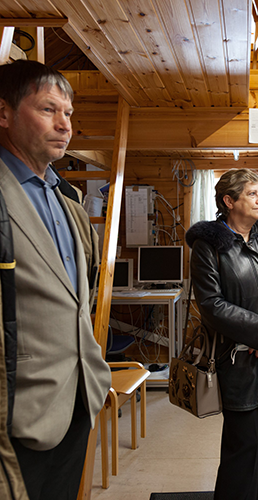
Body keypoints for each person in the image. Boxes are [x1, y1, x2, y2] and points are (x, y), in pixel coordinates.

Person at [0, 59, 111, 500]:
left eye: (68, 114)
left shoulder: (68, 200)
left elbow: (79, 294)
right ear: (4, 113)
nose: (64, 125)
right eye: (49, 110)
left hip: (80, 395)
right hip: (19, 408)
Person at [186, 168, 258, 500]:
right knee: (244, 446)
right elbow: (211, 304)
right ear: (229, 201)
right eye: (252, 193)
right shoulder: (207, 246)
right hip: (237, 361)